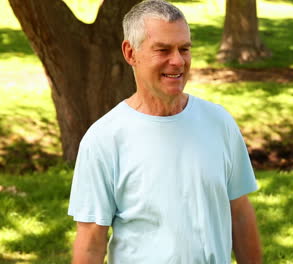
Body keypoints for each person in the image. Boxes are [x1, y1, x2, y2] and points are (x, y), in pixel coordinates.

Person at [67, 0, 262, 263]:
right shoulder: (104, 139)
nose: (178, 61)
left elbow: (239, 213)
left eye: (184, 49)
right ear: (130, 52)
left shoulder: (219, 122)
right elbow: (91, 240)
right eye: (163, 50)